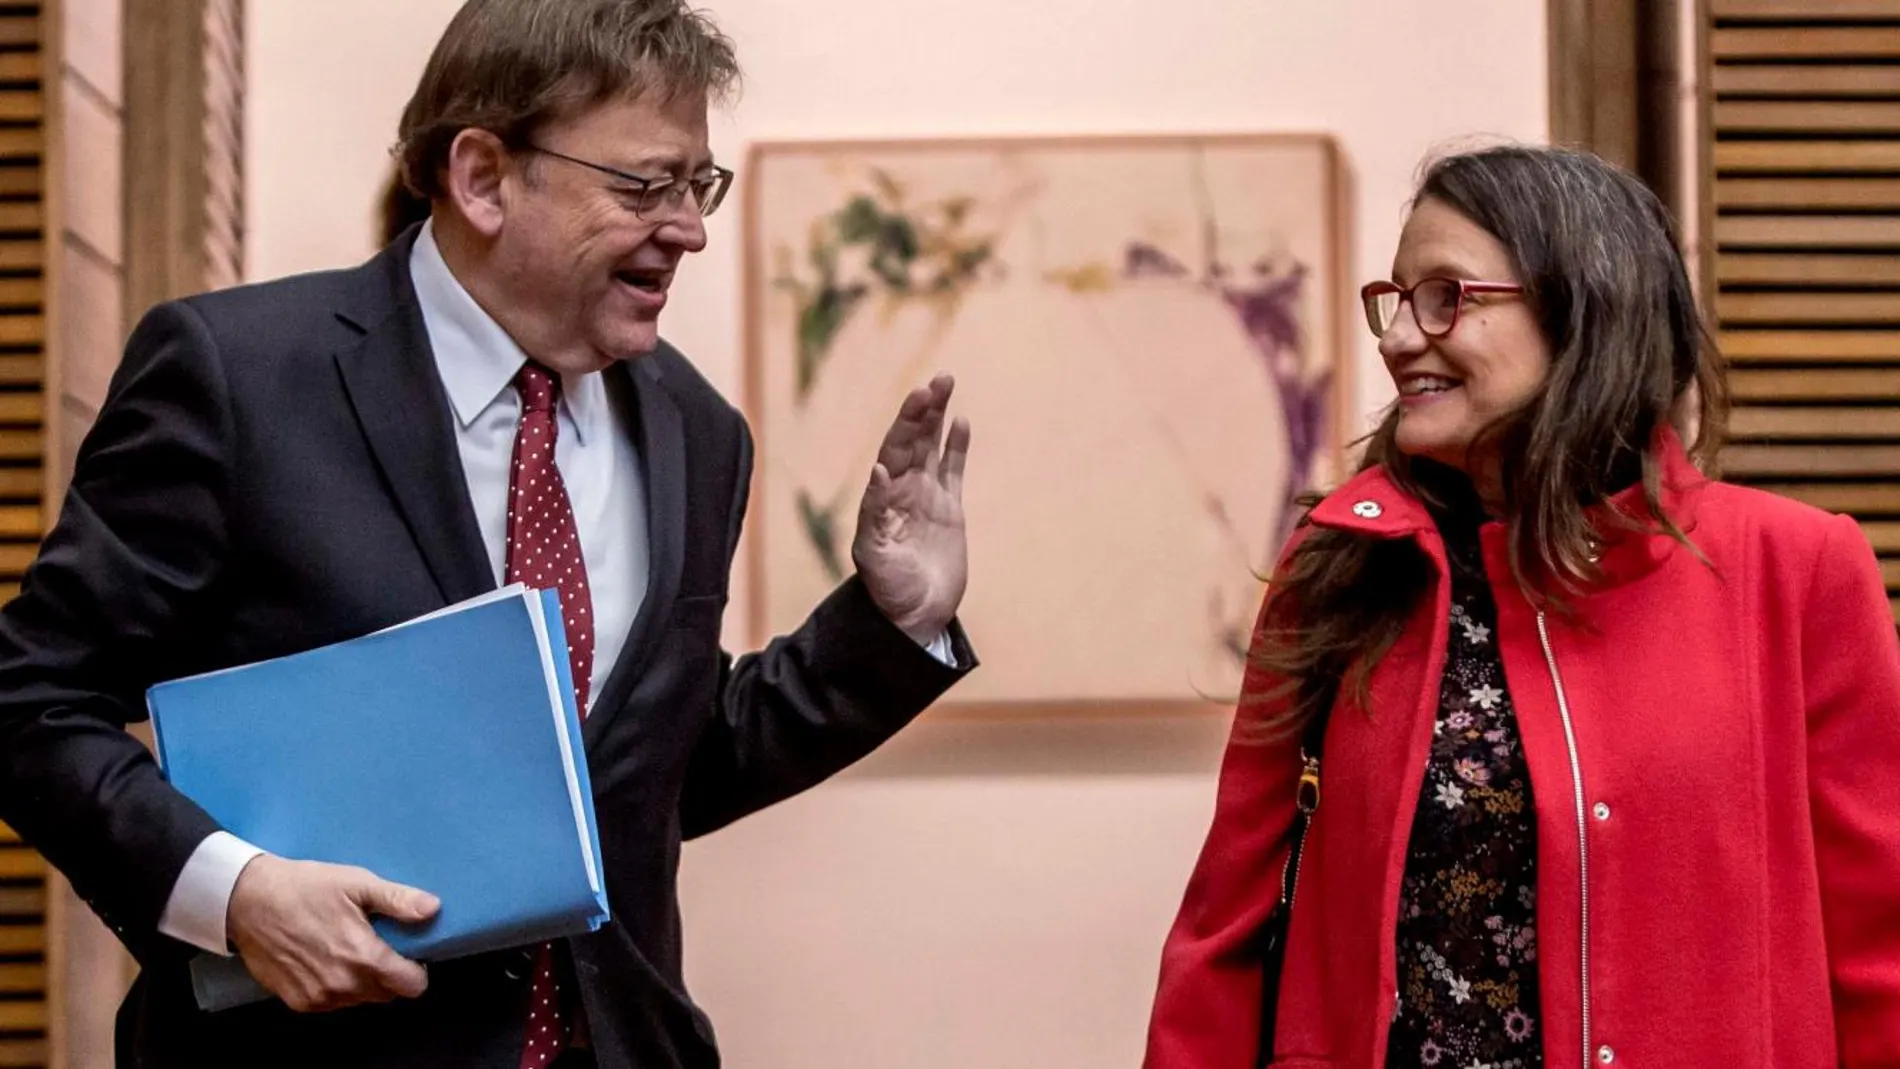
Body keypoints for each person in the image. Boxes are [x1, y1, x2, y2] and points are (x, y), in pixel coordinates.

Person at [0, 1, 977, 1066]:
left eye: (699, 185)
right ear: (482, 178)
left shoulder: (698, 433)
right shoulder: (238, 378)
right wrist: (233, 894)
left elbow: (650, 775)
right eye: (646, 185)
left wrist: (886, 627)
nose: (690, 228)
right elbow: (32, 699)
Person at [1142, 145, 1900, 1068]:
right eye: (1395, 299)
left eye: (1446, 296)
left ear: (1581, 310)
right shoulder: (1341, 565)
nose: (1396, 338)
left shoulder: (1797, 569)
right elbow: (1225, 931)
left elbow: (1880, 954)